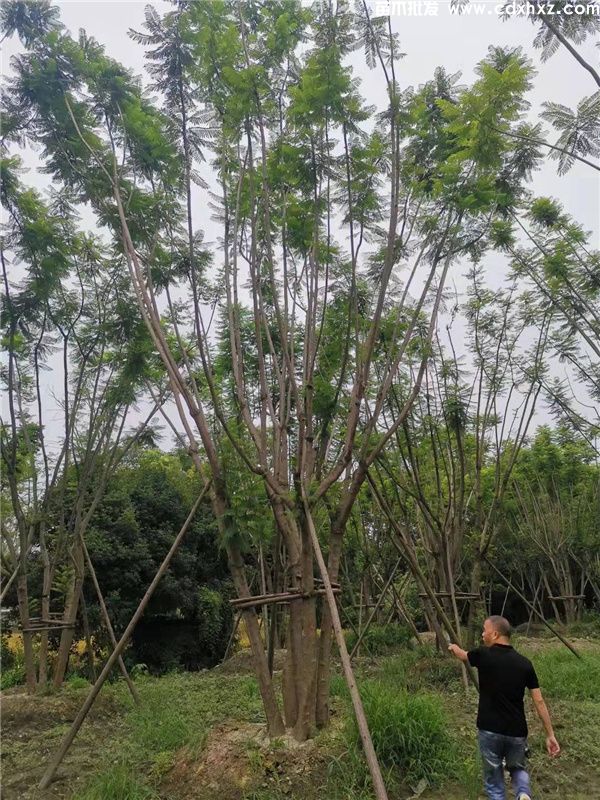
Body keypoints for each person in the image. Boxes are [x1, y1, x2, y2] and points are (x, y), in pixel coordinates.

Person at [448, 615, 560, 800]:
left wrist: (453, 647)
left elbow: (463, 655)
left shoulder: (483, 655)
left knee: (494, 782)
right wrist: (550, 734)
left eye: (484, 630)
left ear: (495, 633)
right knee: (518, 769)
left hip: (489, 728)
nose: (482, 634)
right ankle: (523, 793)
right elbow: (539, 701)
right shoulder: (525, 664)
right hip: (516, 732)